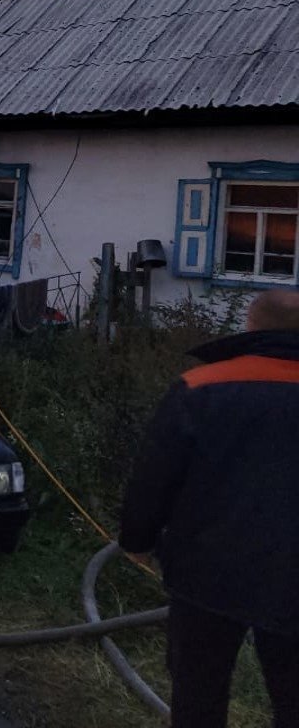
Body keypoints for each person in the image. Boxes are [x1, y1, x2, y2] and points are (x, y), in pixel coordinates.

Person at [119, 288, 299, 728]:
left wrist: (136, 541)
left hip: (208, 574)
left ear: (251, 327)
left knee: (199, 692)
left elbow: (155, 475)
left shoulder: (200, 386)